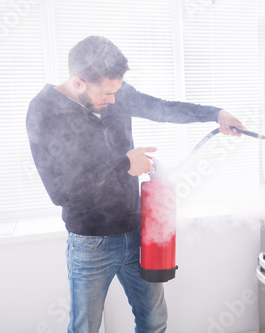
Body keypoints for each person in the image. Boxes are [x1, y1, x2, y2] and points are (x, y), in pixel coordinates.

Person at [26, 35, 246, 333]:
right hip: (91, 243)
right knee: (84, 328)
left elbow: (162, 108)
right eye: (106, 93)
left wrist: (215, 114)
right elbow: (62, 191)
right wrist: (124, 165)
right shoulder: (44, 112)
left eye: (117, 91)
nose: (115, 100)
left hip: (137, 233)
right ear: (78, 82)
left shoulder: (113, 91)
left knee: (154, 322)